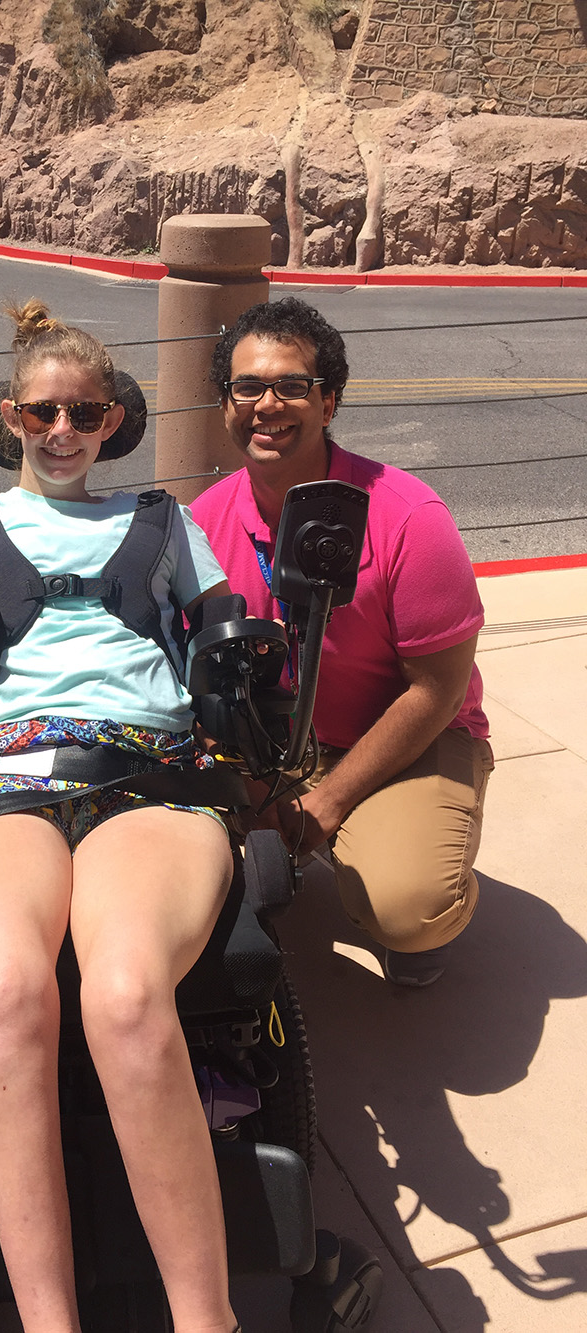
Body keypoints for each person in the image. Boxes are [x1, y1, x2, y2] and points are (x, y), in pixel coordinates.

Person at [0, 301, 242, 1333]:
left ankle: (208, 1320)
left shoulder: (165, 519)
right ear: (11, 421)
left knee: (122, 996)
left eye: (86, 412)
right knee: (1, 992)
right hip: (11, 778)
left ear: (115, 417)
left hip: (145, 771)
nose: (64, 432)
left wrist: (241, 658)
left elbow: (227, 632)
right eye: (42, 415)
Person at [190, 296, 494, 988]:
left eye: (292, 385)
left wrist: (324, 807)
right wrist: (256, 786)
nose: (267, 404)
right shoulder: (205, 519)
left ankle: (420, 876)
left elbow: (439, 688)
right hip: (275, 735)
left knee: (409, 907)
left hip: (407, 734)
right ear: (224, 403)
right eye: (248, 386)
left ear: (328, 403)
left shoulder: (409, 517)